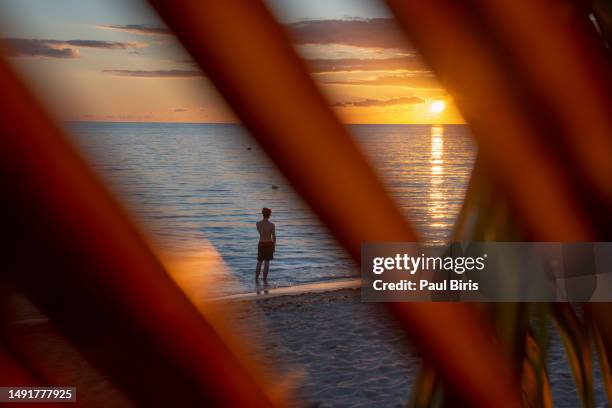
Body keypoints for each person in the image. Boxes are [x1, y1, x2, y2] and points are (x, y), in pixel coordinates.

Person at [255, 207, 275, 282]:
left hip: (261, 243)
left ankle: (256, 279)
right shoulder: (272, 225)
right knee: (267, 262)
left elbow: (260, 233)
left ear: (262, 214)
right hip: (269, 243)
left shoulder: (258, 224)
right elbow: (274, 236)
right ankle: (264, 279)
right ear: (269, 214)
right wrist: (274, 247)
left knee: (259, 261)